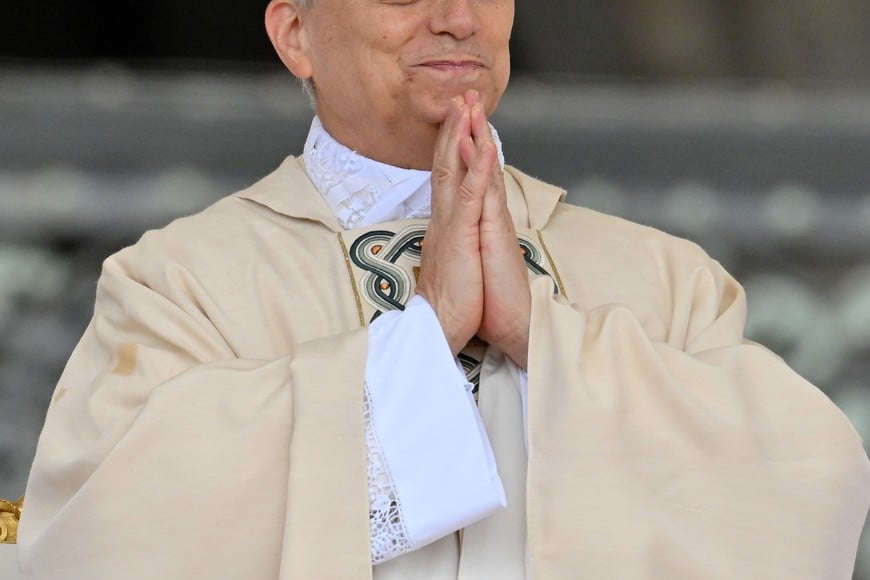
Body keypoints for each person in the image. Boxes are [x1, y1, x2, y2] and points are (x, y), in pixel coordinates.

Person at [16, 0, 870, 578]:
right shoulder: (179, 286)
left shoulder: (662, 278)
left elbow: (808, 493)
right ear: (295, 33)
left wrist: (545, 338)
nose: (459, 17)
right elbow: (99, 539)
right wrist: (422, 340)